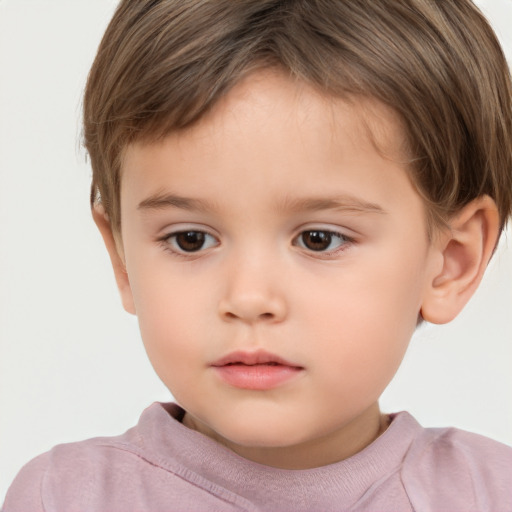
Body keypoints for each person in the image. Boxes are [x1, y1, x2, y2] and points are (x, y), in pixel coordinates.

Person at [3, 0, 512, 510]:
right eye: (190, 239)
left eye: (319, 239)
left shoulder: (490, 493)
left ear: (451, 261)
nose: (248, 298)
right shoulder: (64, 499)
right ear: (122, 258)